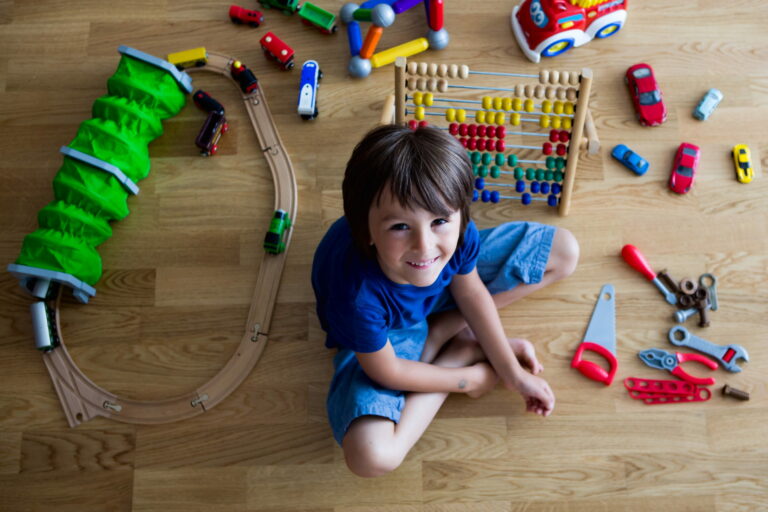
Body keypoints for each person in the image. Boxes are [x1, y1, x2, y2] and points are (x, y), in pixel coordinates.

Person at [311, 124, 579, 477]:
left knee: (564, 252)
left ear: (460, 214)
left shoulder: (458, 237)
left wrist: (512, 375)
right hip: (389, 331)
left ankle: (447, 329)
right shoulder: (358, 297)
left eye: (439, 220)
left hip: (437, 292)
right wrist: (467, 380)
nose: (425, 246)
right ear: (366, 229)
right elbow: (388, 371)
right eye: (399, 227)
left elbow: (469, 290)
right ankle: (454, 345)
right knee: (372, 456)